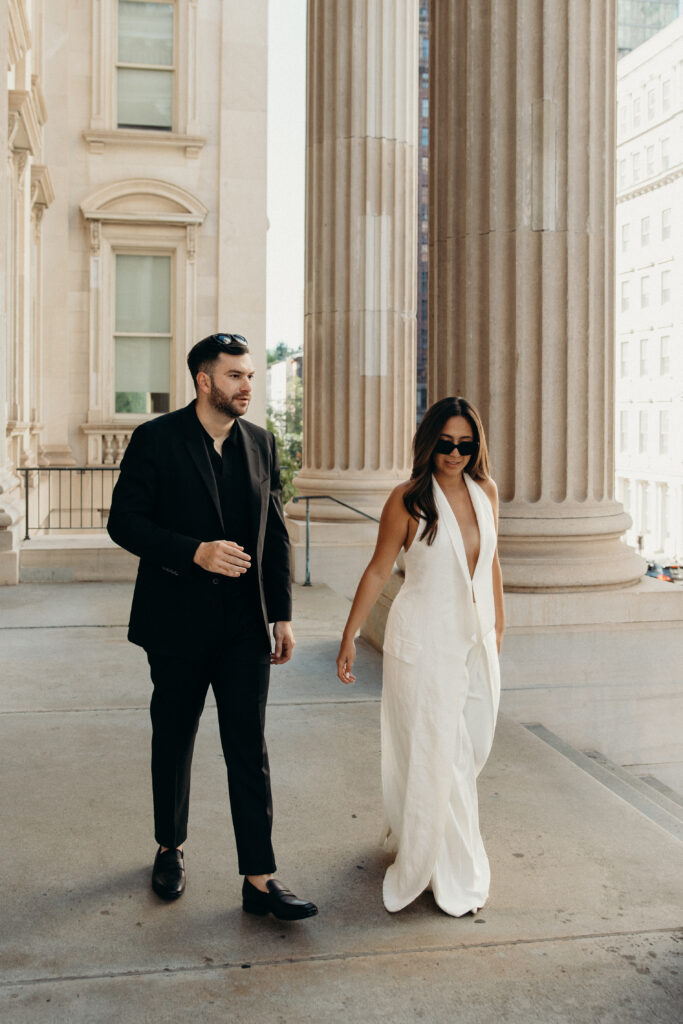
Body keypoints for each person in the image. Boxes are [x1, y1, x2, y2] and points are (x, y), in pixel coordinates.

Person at [107, 333, 317, 921]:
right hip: (174, 626)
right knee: (174, 740)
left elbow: (273, 534)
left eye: (250, 375)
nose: (247, 386)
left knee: (248, 750)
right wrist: (192, 551)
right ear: (204, 381)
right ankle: (169, 847)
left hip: (246, 628)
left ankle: (259, 878)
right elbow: (124, 523)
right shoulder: (155, 439)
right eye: (234, 376)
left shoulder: (261, 443)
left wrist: (282, 614)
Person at [336, 396, 504, 917]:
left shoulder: (485, 492)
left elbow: (493, 565)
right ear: (430, 442)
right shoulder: (408, 500)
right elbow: (377, 571)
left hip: (473, 641)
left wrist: (499, 624)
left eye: (466, 444)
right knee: (443, 756)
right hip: (422, 644)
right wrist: (350, 635)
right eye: (446, 443)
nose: (455, 454)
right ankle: (446, 866)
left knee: (467, 748)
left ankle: (423, 830)